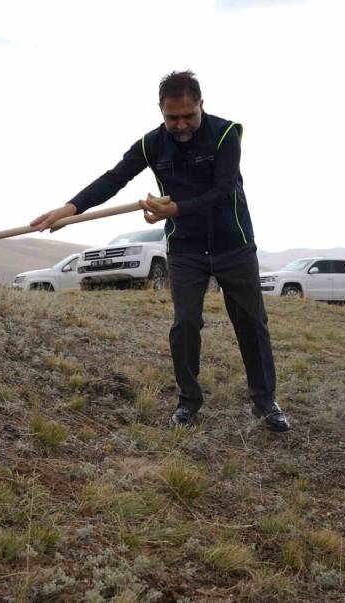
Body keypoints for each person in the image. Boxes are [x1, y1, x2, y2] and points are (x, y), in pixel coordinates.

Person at [31, 71, 290, 432]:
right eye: (172, 117)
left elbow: (223, 190)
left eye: (189, 115)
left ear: (201, 105)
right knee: (185, 324)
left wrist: (176, 209)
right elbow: (113, 177)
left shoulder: (227, 133)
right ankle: (188, 401)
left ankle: (265, 403)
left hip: (235, 245)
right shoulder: (151, 144)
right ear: (160, 111)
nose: (181, 124)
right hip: (185, 248)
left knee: (251, 323)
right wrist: (71, 208)